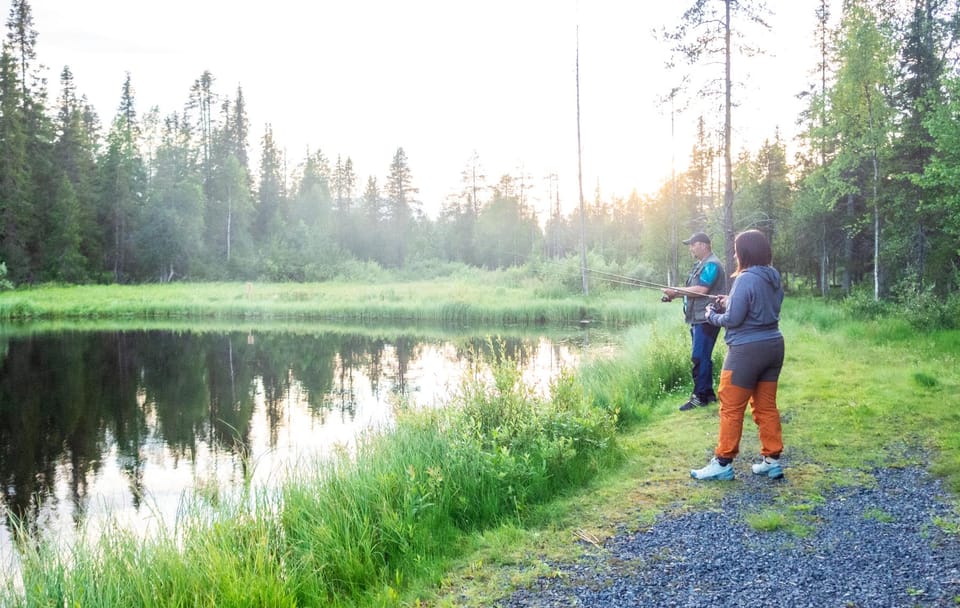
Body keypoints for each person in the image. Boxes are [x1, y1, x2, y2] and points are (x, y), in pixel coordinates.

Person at [690, 229, 785, 481]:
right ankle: (772, 460)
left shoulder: (745, 278)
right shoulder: (773, 276)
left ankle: (722, 462)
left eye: (736, 249)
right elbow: (756, 306)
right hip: (774, 346)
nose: (734, 253)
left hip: (746, 352)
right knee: (766, 406)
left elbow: (733, 319)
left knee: (731, 406)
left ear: (744, 252)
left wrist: (711, 315)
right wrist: (729, 299)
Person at [662, 231, 726, 411]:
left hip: (706, 319)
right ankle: (708, 394)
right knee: (703, 356)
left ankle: (699, 397)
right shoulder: (701, 265)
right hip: (697, 318)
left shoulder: (712, 264)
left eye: (693, 244)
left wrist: (677, 291)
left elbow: (701, 289)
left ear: (704, 245)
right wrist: (674, 296)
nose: (690, 248)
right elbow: (693, 291)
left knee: (699, 356)